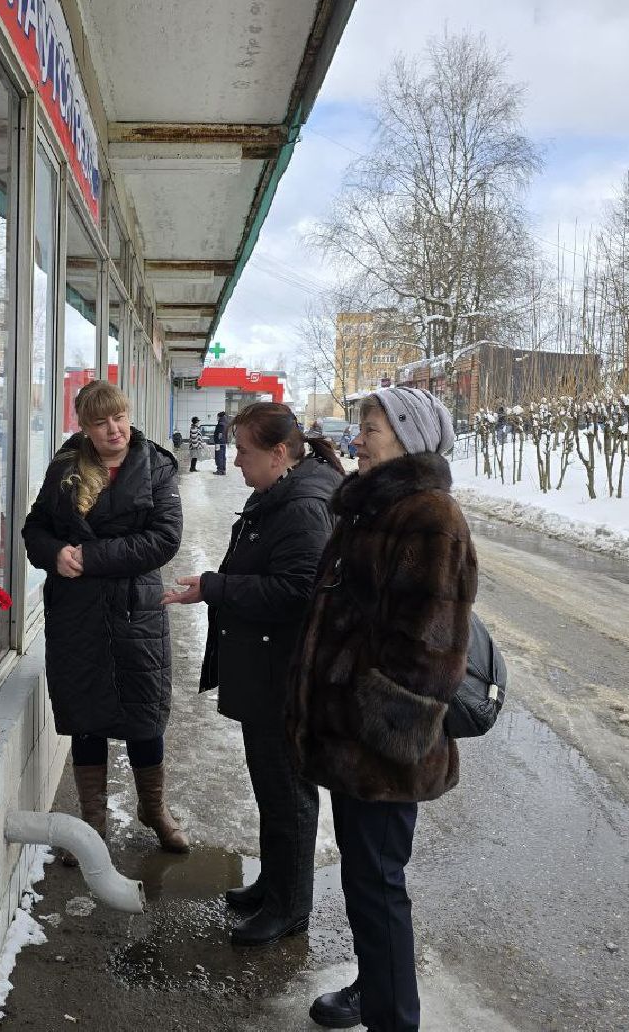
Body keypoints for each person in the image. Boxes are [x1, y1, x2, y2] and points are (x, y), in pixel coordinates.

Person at [289, 386, 477, 1031]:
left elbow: (430, 642)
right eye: (362, 426)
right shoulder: (370, 508)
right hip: (350, 735)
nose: (358, 436)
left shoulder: (428, 516)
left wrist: (384, 730)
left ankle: (394, 1017)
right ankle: (374, 988)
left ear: (408, 436)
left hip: (384, 742)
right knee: (365, 878)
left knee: (378, 882)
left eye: (371, 427)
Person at [164, 402, 343, 945]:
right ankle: (275, 882)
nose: (235, 459)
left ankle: (290, 906)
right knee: (271, 787)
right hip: (268, 670)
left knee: (288, 791)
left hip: (284, 675)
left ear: (280, 453)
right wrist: (214, 586)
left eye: (244, 450)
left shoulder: (303, 507)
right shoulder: (278, 496)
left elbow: (297, 593)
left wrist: (216, 587)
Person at [22, 381, 187, 858]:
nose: (114, 429)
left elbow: (164, 540)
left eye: (119, 417)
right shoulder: (65, 468)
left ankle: (153, 808)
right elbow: (35, 526)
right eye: (101, 422)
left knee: (144, 713)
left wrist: (90, 556)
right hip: (77, 611)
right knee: (86, 716)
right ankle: (93, 817)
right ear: (84, 427)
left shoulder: (154, 466)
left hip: (135, 609)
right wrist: (55, 554)